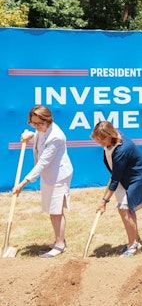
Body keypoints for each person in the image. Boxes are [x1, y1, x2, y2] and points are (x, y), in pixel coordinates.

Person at [13, 105, 73, 258]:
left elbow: (43, 162)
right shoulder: (42, 129)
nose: (37, 126)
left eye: (40, 123)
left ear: (48, 120)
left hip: (58, 175)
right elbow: (40, 138)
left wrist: (23, 183)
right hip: (49, 175)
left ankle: (60, 245)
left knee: (56, 210)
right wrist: (30, 136)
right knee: (52, 210)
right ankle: (58, 241)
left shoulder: (56, 136)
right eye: (33, 123)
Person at [91, 121, 142, 257]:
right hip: (123, 176)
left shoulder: (122, 149)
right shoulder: (112, 140)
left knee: (124, 208)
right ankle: (135, 240)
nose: (100, 142)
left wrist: (104, 201)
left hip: (139, 177)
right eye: (97, 139)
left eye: (102, 138)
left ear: (111, 135)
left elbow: (115, 179)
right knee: (125, 208)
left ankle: (133, 246)